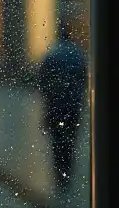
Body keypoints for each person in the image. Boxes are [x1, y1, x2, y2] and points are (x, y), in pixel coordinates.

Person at [37, 23, 88, 192]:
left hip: (56, 105)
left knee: (57, 140)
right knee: (70, 140)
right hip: (73, 104)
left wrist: (47, 103)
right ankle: (67, 174)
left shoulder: (52, 54)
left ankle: (59, 175)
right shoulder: (78, 54)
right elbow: (84, 78)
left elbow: (43, 82)